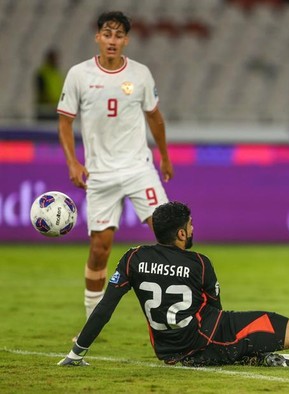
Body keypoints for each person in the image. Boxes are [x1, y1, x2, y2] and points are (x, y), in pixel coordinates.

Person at [58, 201, 289, 370]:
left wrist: (77, 352)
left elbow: (105, 308)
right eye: (191, 224)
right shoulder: (200, 262)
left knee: (244, 336)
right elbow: (217, 315)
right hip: (202, 345)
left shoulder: (133, 258)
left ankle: (262, 356)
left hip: (167, 352)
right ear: (183, 232)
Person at [57, 11, 173, 321]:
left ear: (126, 40)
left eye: (118, 35)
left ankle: (180, 316)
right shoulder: (79, 75)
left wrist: (164, 155)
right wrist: (72, 162)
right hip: (100, 174)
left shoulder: (140, 74)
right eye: (107, 34)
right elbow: (65, 122)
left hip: (138, 168)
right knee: (100, 249)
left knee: (169, 234)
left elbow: (155, 118)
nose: (112, 40)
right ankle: (91, 323)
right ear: (98, 37)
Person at [36, 49, 64, 120]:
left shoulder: (57, 74)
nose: (55, 61)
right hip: (46, 110)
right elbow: (42, 92)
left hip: (56, 109)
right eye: (53, 59)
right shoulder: (42, 73)